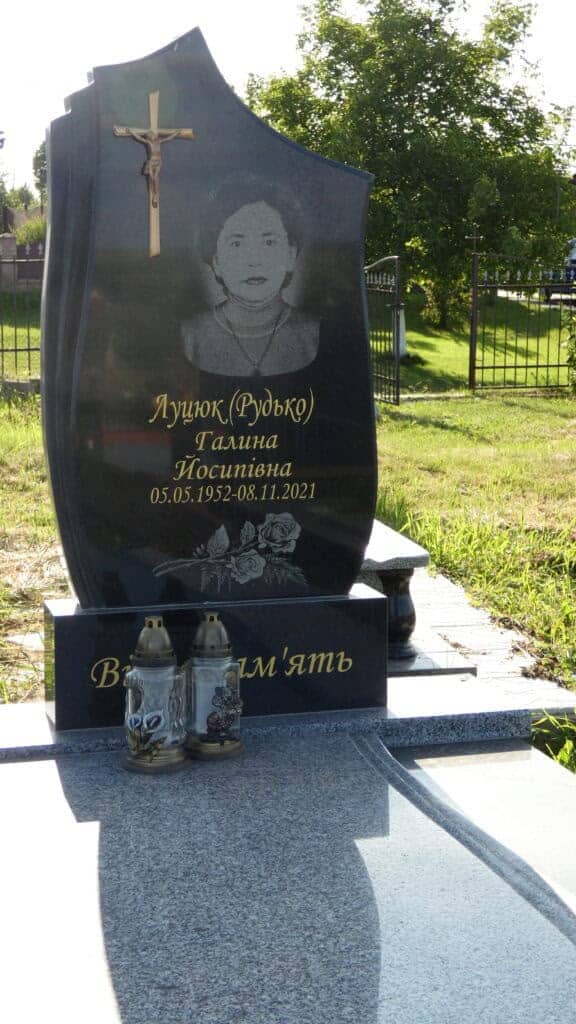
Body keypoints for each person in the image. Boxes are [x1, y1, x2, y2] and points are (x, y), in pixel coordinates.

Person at [182, 176, 320, 377]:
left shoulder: (314, 334)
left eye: (269, 242)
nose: (254, 261)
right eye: (236, 244)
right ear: (216, 261)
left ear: (291, 256)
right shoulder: (189, 336)